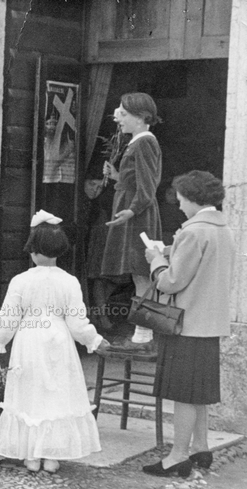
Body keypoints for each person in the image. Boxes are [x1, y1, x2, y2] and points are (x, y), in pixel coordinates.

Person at [0, 211, 108, 473]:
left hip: (29, 338)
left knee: (30, 392)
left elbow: (8, 317)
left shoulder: (21, 280)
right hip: (59, 338)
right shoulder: (70, 281)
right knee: (55, 394)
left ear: (32, 251)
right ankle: (51, 456)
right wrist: (93, 340)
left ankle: (31, 455)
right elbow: (77, 321)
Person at [142, 171, 236, 478]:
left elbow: (171, 282)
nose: (179, 205)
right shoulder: (223, 229)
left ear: (194, 199)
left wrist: (156, 259)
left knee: (183, 393)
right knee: (198, 393)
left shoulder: (193, 232)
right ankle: (201, 448)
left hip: (187, 322)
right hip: (210, 323)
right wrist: (170, 252)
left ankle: (178, 455)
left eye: (181, 199)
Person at [100, 92, 162, 352]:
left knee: (141, 273)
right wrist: (118, 178)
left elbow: (148, 186)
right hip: (135, 214)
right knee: (138, 275)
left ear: (141, 117)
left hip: (139, 218)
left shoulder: (144, 142)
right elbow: (136, 182)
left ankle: (143, 334)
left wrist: (131, 210)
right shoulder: (138, 141)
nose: (118, 118)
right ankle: (142, 333)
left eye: (124, 114)